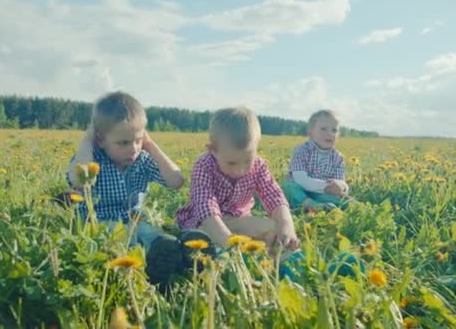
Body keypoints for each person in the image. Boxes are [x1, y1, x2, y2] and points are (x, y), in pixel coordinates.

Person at [66, 91, 212, 289]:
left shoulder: (141, 160)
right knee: (122, 241)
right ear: (100, 140)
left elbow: (176, 181)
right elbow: (78, 180)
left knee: (152, 234)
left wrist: (151, 146)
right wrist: (87, 141)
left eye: (137, 140)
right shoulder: (93, 158)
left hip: (135, 221)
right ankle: (155, 262)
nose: (133, 148)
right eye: (123, 143)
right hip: (99, 226)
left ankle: (182, 253)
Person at [176, 107, 300, 256]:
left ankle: (281, 258)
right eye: (232, 163)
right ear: (213, 150)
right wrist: (229, 241)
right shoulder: (204, 166)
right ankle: (211, 253)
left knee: (275, 228)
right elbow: (205, 206)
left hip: (240, 221)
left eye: (248, 161)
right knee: (203, 235)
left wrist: (286, 224)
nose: (240, 170)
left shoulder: (259, 165)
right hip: (207, 222)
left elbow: (273, 194)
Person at [283, 110, 350, 212]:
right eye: (323, 129)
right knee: (290, 188)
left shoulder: (338, 157)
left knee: (342, 199)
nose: (330, 134)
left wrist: (342, 187)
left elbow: (340, 180)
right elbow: (300, 179)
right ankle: (310, 205)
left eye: (334, 130)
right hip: (301, 189)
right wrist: (325, 187)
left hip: (320, 194)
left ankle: (325, 207)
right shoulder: (302, 150)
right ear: (310, 133)